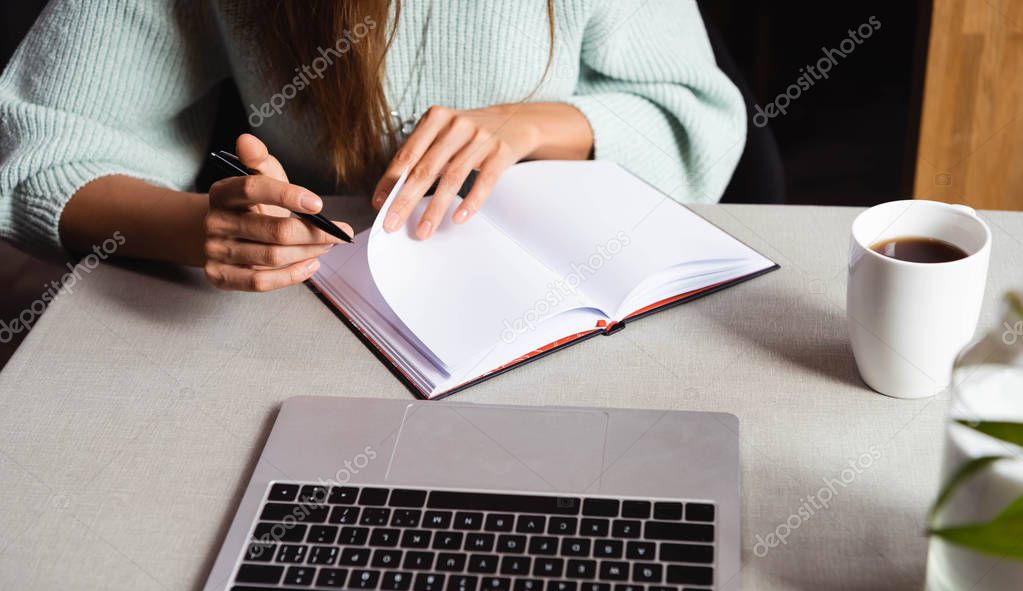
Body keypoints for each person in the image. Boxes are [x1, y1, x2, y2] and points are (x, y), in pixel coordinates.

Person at [0, 0, 745, 292]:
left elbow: (695, 119)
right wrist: (201, 228)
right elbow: (40, 151)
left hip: (547, 288)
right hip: (301, 303)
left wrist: (532, 124)